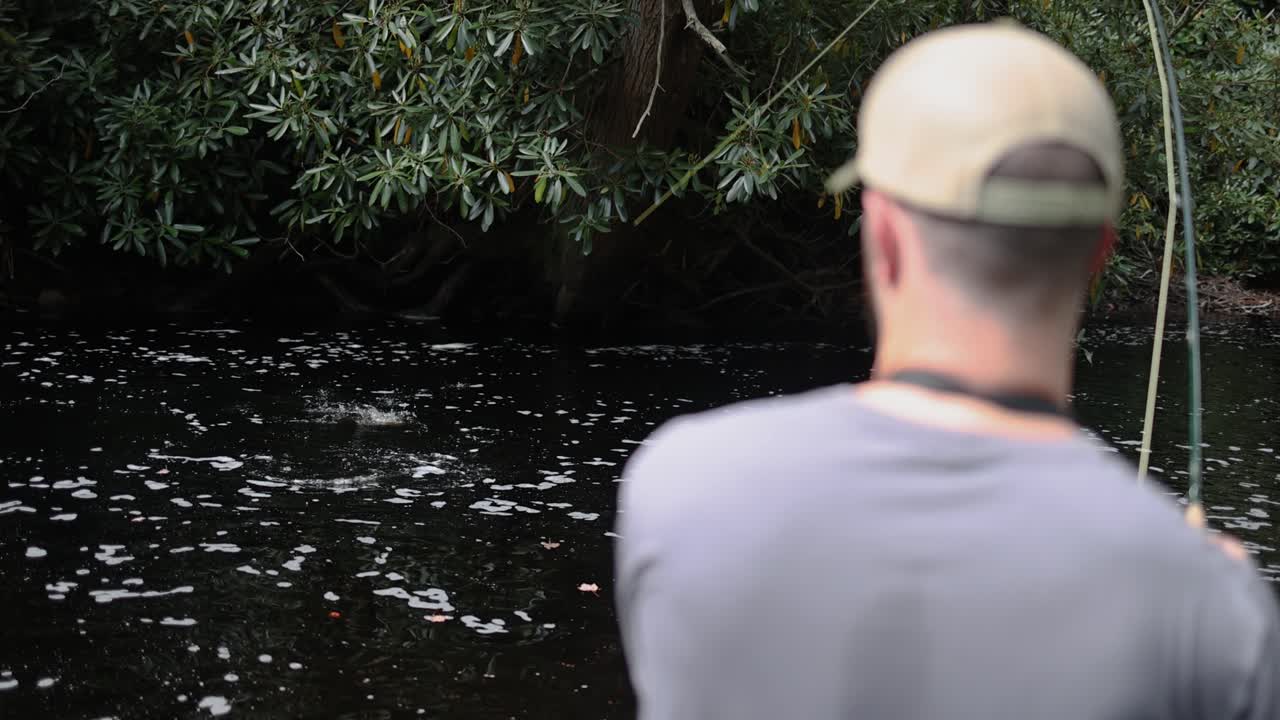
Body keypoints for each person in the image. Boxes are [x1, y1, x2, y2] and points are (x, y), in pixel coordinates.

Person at [613, 21, 1280, 720]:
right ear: (1099, 257)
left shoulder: (682, 485)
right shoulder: (1216, 615)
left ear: (885, 236)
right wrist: (1204, 588)